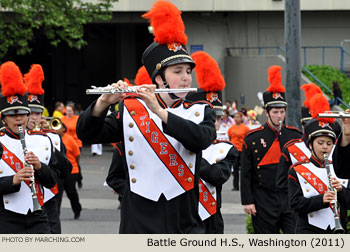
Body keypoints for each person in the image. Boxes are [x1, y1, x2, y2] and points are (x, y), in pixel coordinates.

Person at [77, 1, 216, 234]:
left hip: (183, 217)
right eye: (177, 72)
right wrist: (103, 101)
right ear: (159, 80)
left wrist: (160, 112)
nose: (186, 78)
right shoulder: (131, 109)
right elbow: (87, 133)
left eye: (188, 72)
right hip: (139, 218)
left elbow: (201, 139)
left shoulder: (200, 109)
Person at [240, 65, 302, 234]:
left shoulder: (295, 135)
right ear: (266, 113)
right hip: (263, 198)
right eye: (275, 112)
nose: (279, 116)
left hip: (290, 197)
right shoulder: (252, 138)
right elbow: (246, 172)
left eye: (282, 111)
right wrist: (248, 201)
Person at [0, 61, 57, 234]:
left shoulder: (43, 140)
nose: (18, 119)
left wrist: (40, 167)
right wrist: (13, 180)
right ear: (3, 119)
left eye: (22, 114)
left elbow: (53, 181)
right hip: (6, 217)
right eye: (12, 115)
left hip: (38, 215)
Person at [188, 51, 238, 233]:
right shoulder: (179, 144)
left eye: (217, 118)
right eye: (208, 118)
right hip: (184, 214)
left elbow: (217, 176)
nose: (214, 123)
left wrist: (190, 158)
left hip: (212, 216)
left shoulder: (226, 149)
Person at [288, 93, 350, 233]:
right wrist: (321, 199)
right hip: (308, 230)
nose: (325, 147)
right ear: (310, 145)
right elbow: (295, 204)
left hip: (338, 229)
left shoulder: (341, 169)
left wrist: (341, 190)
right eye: (320, 143)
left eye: (329, 143)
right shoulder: (298, 170)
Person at [24, 63, 66, 233]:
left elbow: (65, 169)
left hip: (48, 200)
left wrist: (51, 146)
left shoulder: (51, 136)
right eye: (31, 113)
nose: (34, 117)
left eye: (38, 113)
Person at [54, 122, 82, 219]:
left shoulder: (69, 139)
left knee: (71, 192)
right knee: (58, 194)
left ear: (63, 129)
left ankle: (77, 209)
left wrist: (75, 164)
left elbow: (77, 154)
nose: (55, 129)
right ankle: (56, 215)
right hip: (59, 171)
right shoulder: (52, 138)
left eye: (58, 127)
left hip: (71, 170)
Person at [61, 102, 83, 188]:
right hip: (65, 143)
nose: (68, 112)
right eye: (67, 111)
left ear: (73, 111)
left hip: (76, 143)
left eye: (70, 111)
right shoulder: (62, 119)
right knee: (64, 161)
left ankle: (79, 178)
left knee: (75, 163)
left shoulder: (77, 119)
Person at [227, 111, 250, 191]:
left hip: (243, 150)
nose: (236, 119)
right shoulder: (231, 128)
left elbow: (248, 138)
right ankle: (235, 186)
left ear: (241, 118)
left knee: (244, 169)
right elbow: (230, 138)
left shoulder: (245, 128)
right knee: (235, 169)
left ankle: (245, 186)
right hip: (235, 150)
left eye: (238, 117)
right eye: (235, 117)